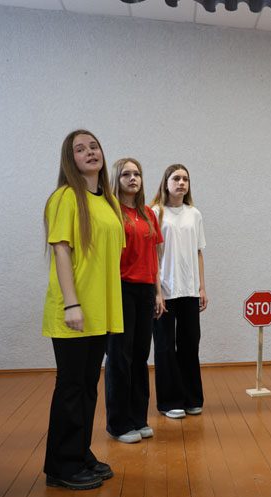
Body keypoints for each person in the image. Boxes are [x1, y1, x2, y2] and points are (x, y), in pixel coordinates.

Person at [42, 129, 124, 490]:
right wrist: (72, 303)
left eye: (94, 146)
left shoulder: (109, 202)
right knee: (71, 387)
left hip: (99, 310)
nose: (90, 152)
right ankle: (61, 466)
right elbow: (61, 250)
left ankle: (79, 452)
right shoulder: (65, 197)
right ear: (69, 159)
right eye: (80, 149)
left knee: (88, 386)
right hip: (74, 310)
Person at [104, 158, 165, 443]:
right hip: (120, 288)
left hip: (145, 290)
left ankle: (138, 418)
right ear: (116, 179)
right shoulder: (112, 212)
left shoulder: (148, 214)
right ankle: (118, 424)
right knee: (120, 357)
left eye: (137, 174)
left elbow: (153, 257)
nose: (133, 178)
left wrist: (158, 292)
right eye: (126, 174)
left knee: (140, 356)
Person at [150, 164, 207, 419]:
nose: (181, 182)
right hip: (164, 290)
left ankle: (191, 398)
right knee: (164, 346)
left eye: (185, 178)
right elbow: (151, 255)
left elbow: (198, 252)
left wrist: (202, 287)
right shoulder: (156, 212)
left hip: (190, 290)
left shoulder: (194, 214)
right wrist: (156, 292)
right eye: (176, 178)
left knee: (189, 343)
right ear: (166, 182)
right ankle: (169, 402)